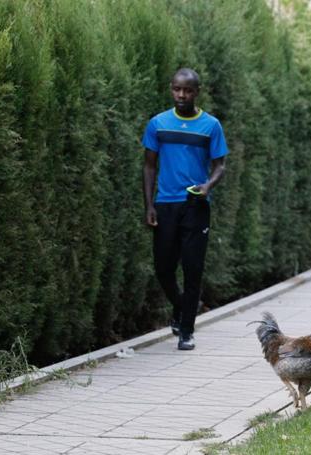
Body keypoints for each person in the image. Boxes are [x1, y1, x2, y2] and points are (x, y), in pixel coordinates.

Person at [141, 68, 228, 350]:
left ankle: (187, 331)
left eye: (188, 90)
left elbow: (220, 165)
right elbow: (149, 165)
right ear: (171, 89)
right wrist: (149, 205)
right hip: (165, 205)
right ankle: (181, 307)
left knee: (193, 269)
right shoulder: (158, 124)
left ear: (196, 92)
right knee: (163, 268)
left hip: (196, 206)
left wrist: (208, 186)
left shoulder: (211, 126)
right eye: (177, 89)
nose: (182, 95)